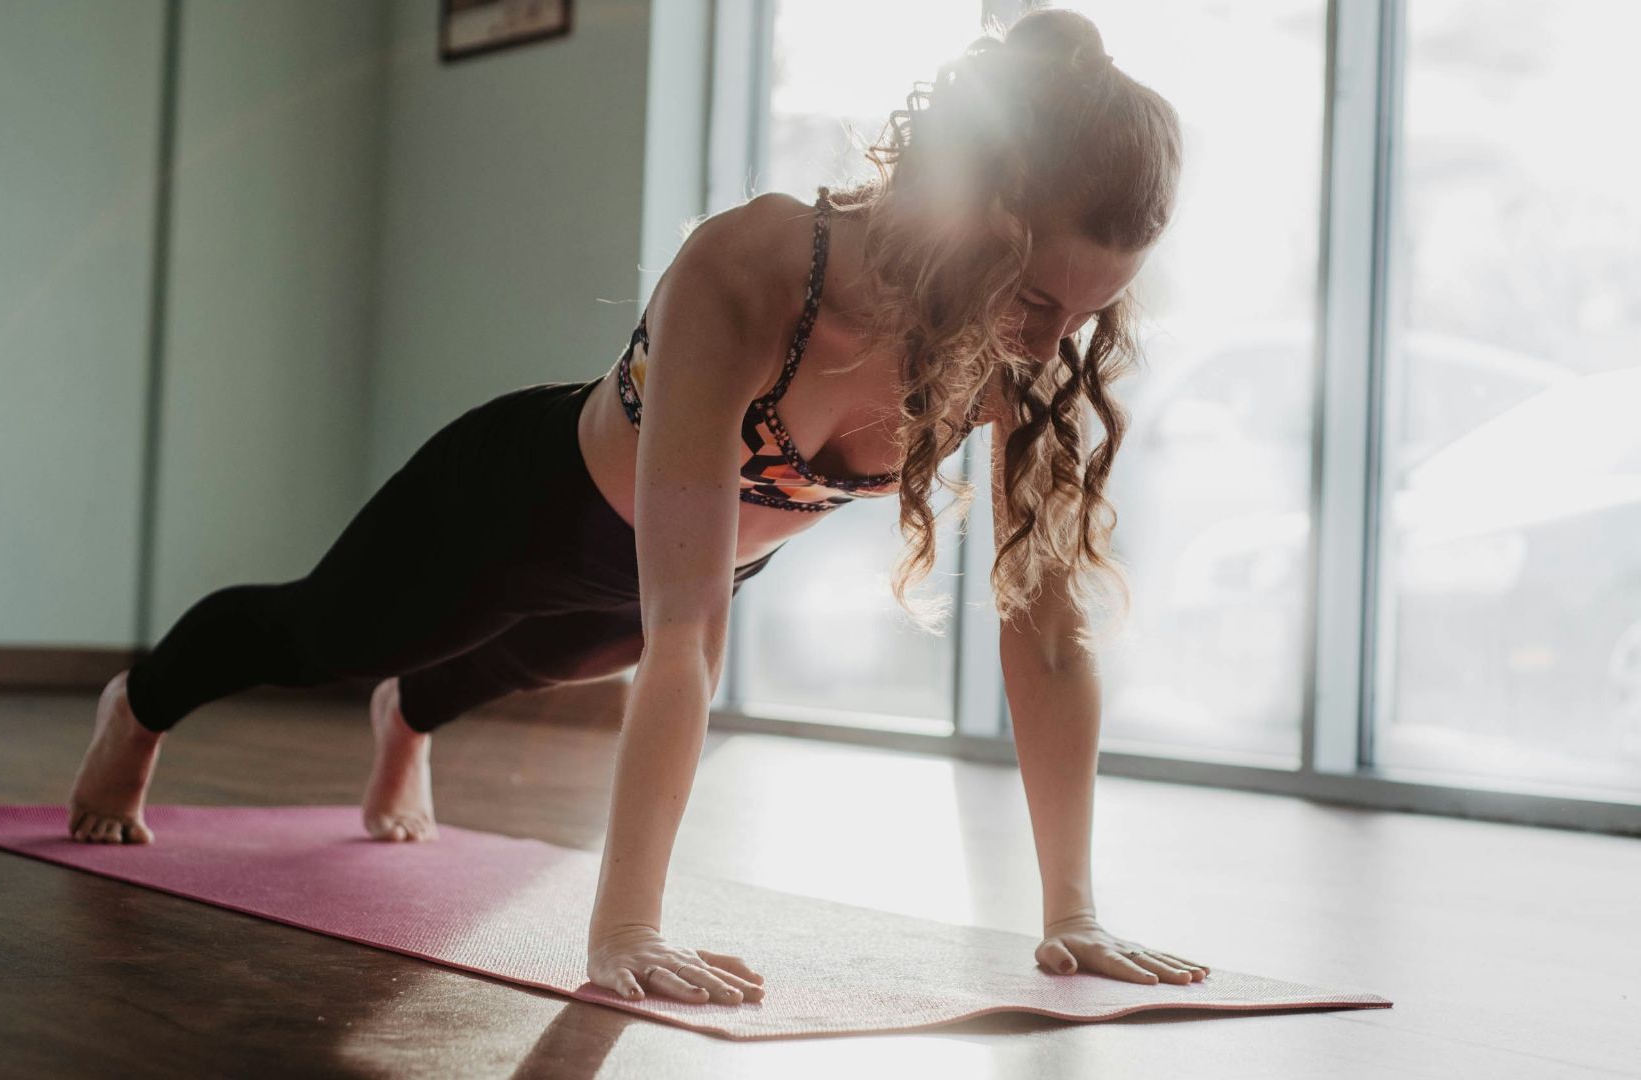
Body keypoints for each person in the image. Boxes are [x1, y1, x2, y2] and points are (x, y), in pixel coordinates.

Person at [65, 8, 1209, 1006]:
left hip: (638, 584)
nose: (1052, 342)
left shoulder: (1015, 351)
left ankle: (407, 720)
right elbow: (687, 635)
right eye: (1042, 296)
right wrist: (624, 930)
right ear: (980, 214)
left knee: (528, 664)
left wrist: (1075, 913)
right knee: (327, 634)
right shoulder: (754, 268)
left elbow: (1048, 635)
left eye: (1087, 315)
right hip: (513, 506)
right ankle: (141, 707)